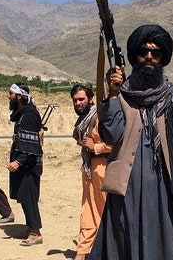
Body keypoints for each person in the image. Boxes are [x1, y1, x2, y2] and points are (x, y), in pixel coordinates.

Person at [90, 24, 173, 260]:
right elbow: (111, 136)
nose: (149, 57)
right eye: (143, 51)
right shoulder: (120, 95)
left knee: (167, 248)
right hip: (126, 191)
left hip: (166, 190)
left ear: (163, 58)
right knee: (123, 246)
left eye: (156, 52)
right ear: (134, 56)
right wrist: (112, 94)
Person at [70, 84, 111, 260]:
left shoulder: (100, 117)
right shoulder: (84, 119)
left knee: (106, 212)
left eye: (81, 99)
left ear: (91, 99)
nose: (78, 103)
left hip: (104, 168)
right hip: (89, 170)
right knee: (88, 211)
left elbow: (119, 142)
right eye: (75, 100)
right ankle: (83, 252)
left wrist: (97, 147)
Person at [7, 83, 44, 246]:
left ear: (19, 96)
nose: (8, 97)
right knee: (23, 197)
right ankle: (31, 227)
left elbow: (32, 144)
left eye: (11, 94)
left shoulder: (29, 114)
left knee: (29, 198)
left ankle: (36, 233)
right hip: (23, 162)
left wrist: (18, 161)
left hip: (28, 165)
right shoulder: (22, 113)